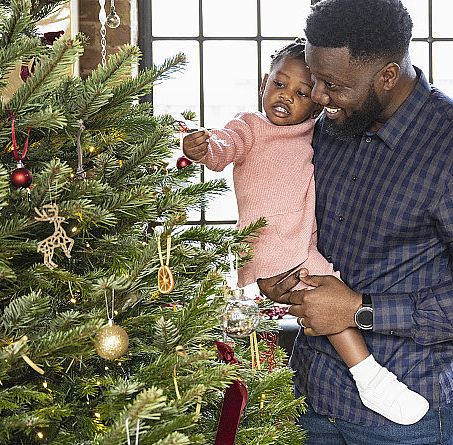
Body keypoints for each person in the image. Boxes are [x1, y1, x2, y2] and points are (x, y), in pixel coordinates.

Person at [257, 0, 453, 444]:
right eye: (316, 80)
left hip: (406, 417)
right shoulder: (326, 128)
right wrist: (275, 271)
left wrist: (360, 310)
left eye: (335, 86)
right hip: (309, 400)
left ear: (387, 75)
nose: (318, 97)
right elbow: (288, 212)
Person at [182, 40, 429, 425]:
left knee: (328, 302)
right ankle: (372, 379)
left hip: (302, 240)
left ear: (316, 103)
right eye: (279, 84)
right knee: (328, 298)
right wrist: (202, 147)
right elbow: (223, 148)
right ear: (264, 82)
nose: (285, 97)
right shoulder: (251, 127)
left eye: (300, 93)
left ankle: (352, 380)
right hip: (272, 244)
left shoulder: (314, 131)